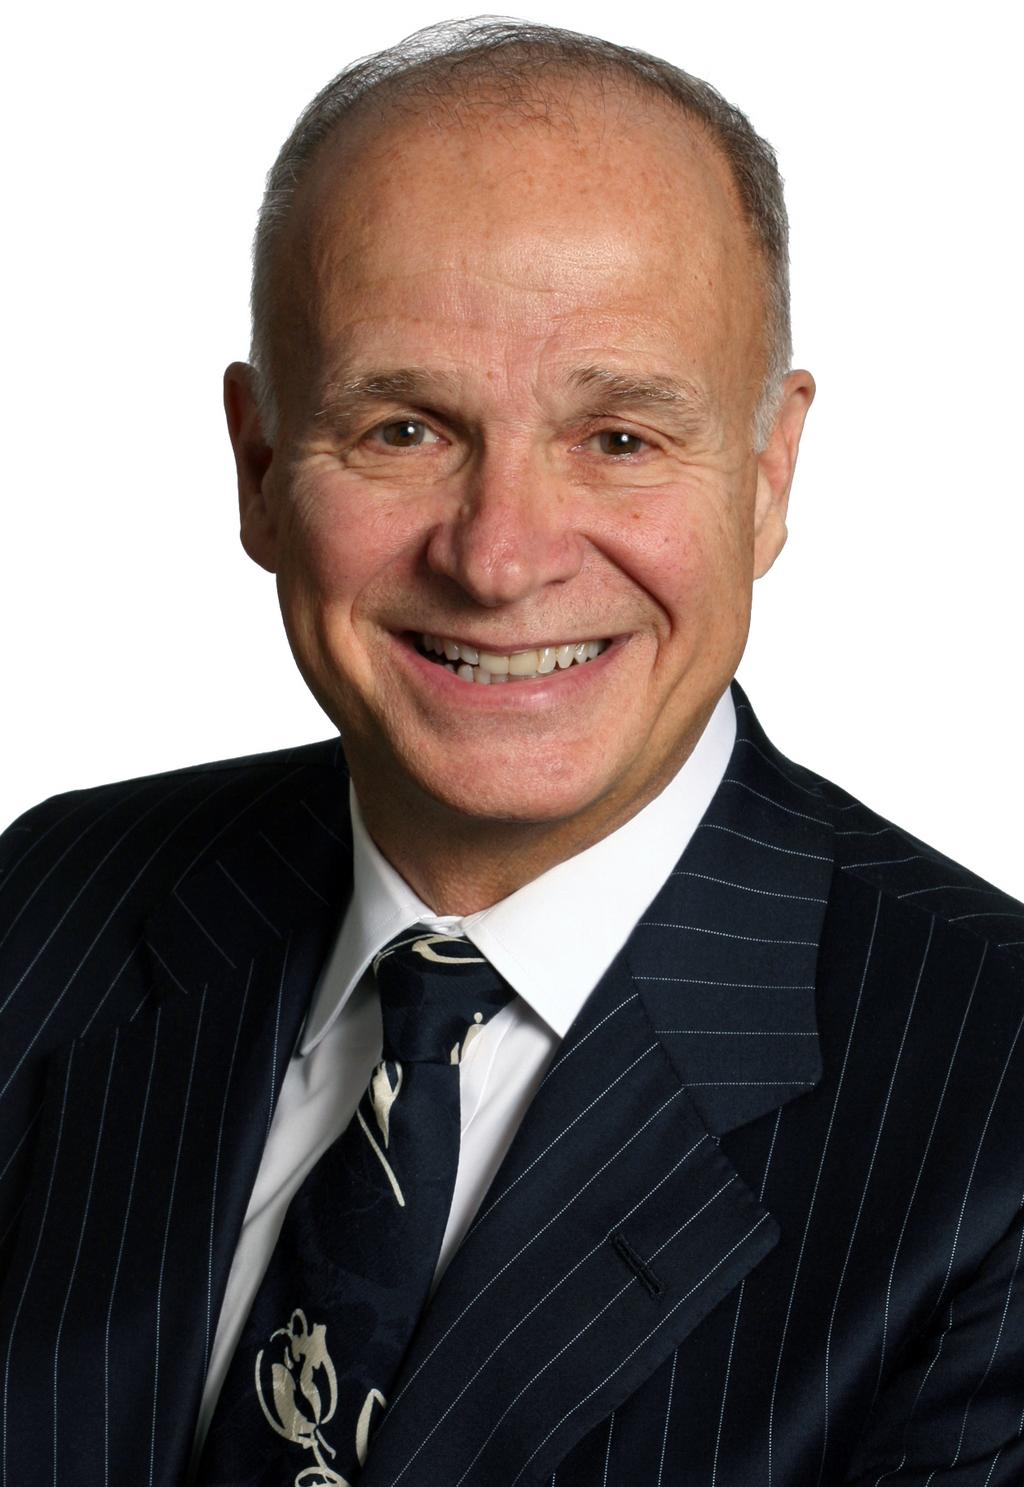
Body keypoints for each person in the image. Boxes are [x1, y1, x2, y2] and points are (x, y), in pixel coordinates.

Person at [1, 17, 1021, 1486]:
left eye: (621, 439)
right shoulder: (50, 903)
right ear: (259, 465)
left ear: (768, 474)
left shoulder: (993, 1116)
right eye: (405, 429)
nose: (499, 558)